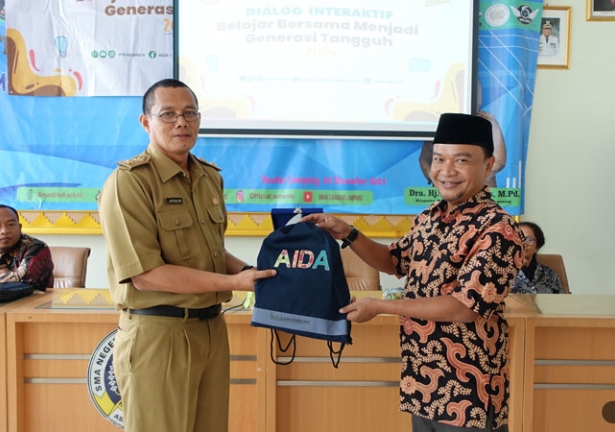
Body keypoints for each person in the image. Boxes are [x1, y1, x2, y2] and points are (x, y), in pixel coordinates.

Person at [304, 113, 524, 432]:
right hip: (422, 384)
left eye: (461, 160)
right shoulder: (430, 217)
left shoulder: (498, 230)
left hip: (468, 394)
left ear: (488, 165)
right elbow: (394, 261)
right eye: (439, 159)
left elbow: (463, 307)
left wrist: (380, 306)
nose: (446, 171)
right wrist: (348, 233)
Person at [98, 78, 276, 432]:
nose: (181, 122)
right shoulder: (130, 181)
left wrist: (254, 273)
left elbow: (211, 252)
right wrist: (234, 282)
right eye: (168, 114)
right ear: (146, 122)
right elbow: (146, 274)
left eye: (189, 113)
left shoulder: (208, 177)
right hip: (158, 333)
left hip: (211, 328)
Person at [511, 222, 564, 294]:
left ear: (537, 247)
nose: (523, 244)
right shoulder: (502, 272)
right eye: (519, 238)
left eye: (529, 240)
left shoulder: (549, 273)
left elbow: (561, 299)